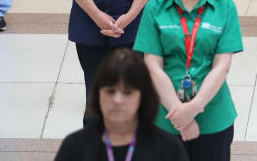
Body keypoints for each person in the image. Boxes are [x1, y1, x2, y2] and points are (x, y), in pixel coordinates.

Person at [135, 0, 243, 159]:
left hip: (213, 119)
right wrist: (180, 115)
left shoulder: (225, 7)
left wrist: (193, 108)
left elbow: (222, 66)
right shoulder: (155, 8)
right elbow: (152, 67)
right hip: (166, 120)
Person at [54, 48, 189, 161]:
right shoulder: (75, 146)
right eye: (110, 91)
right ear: (97, 94)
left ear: (143, 96)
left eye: (128, 93)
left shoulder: (168, 148)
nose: (117, 100)